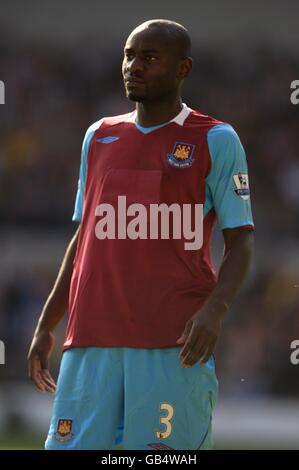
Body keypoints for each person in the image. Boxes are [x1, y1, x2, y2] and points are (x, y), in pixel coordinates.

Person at [27, 19, 254, 450]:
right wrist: (47, 324)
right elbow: (84, 239)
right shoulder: (99, 136)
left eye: (150, 58)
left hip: (171, 340)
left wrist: (214, 311)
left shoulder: (216, 139)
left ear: (183, 68)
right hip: (91, 339)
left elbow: (242, 239)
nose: (134, 66)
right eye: (130, 55)